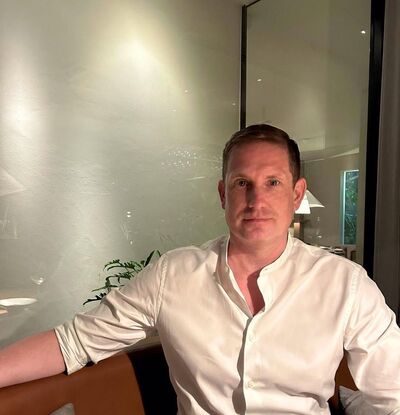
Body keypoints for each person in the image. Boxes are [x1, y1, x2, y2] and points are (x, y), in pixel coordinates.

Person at [0, 124, 399, 414]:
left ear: (297, 194)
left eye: (273, 183)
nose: (256, 200)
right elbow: (73, 342)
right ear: (223, 194)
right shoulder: (172, 276)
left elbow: (392, 393)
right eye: (242, 183)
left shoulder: (345, 284)